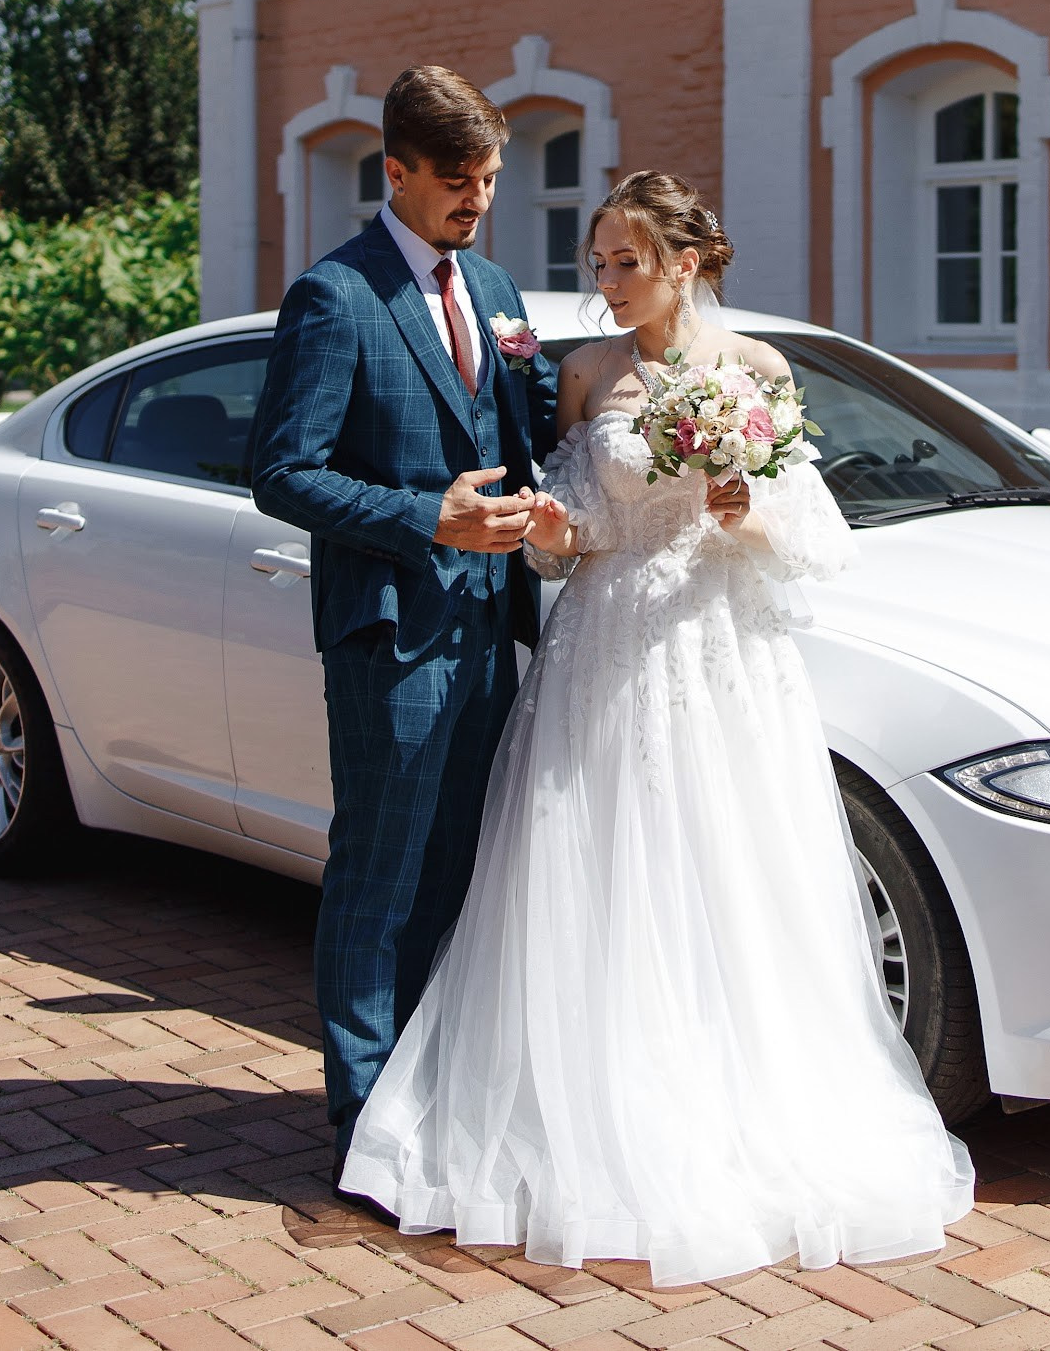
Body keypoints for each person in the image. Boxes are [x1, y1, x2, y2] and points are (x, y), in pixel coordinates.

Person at [339, 171, 976, 1285]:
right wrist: (548, 522)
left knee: (727, 875)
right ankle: (593, 1119)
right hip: (607, 648)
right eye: (597, 262)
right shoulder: (583, 376)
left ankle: (741, 1116)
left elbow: (818, 535)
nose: (607, 282)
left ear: (686, 260)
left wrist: (751, 506)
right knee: (598, 875)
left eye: (625, 259)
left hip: (724, 655)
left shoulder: (759, 372)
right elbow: (569, 534)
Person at [247, 65, 561, 1204]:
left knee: (456, 877)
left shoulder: (495, 284)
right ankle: (366, 1118)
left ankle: (432, 1099)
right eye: (457, 182)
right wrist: (427, 514)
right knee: (377, 876)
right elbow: (281, 473)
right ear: (397, 172)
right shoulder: (335, 296)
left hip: (489, 629)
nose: (476, 202)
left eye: (488, 181)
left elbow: (516, 429)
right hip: (389, 631)